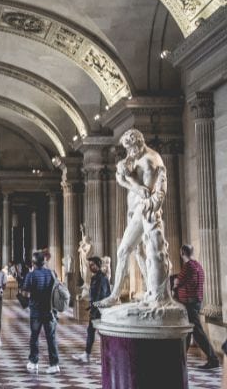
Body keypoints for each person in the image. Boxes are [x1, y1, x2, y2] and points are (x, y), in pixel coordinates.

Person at [97, 129, 173, 309]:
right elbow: (119, 177)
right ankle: (151, 290)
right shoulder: (136, 157)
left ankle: (115, 295)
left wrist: (132, 183)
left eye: (130, 148)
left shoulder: (149, 161)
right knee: (139, 253)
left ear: (138, 143)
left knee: (123, 251)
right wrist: (129, 181)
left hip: (143, 211)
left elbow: (147, 193)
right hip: (133, 211)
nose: (129, 152)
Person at [174, 244, 220, 370]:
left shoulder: (188, 266)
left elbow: (177, 282)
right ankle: (180, 358)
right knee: (189, 331)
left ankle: (213, 359)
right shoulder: (198, 266)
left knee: (197, 332)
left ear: (183, 252)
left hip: (189, 303)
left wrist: (175, 284)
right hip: (197, 301)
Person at [22, 251, 60, 374]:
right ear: (44, 262)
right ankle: (54, 364)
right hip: (50, 310)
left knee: (34, 337)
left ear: (33, 263)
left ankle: (34, 362)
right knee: (51, 338)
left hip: (36, 311)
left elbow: (26, 293)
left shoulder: (31, 275)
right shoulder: (52, 273)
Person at [73, 256, 111, 363]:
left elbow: (102, 295)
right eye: (89, 265)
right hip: (95, 310)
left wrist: (96, 308)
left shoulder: (102, 278)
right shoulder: (95, 278)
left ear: (98, 265)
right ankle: (87, 354)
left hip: (100, 311)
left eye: (93, 265)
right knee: (91, 331)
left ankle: (105, 357)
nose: (90, 267)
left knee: (103, 334)